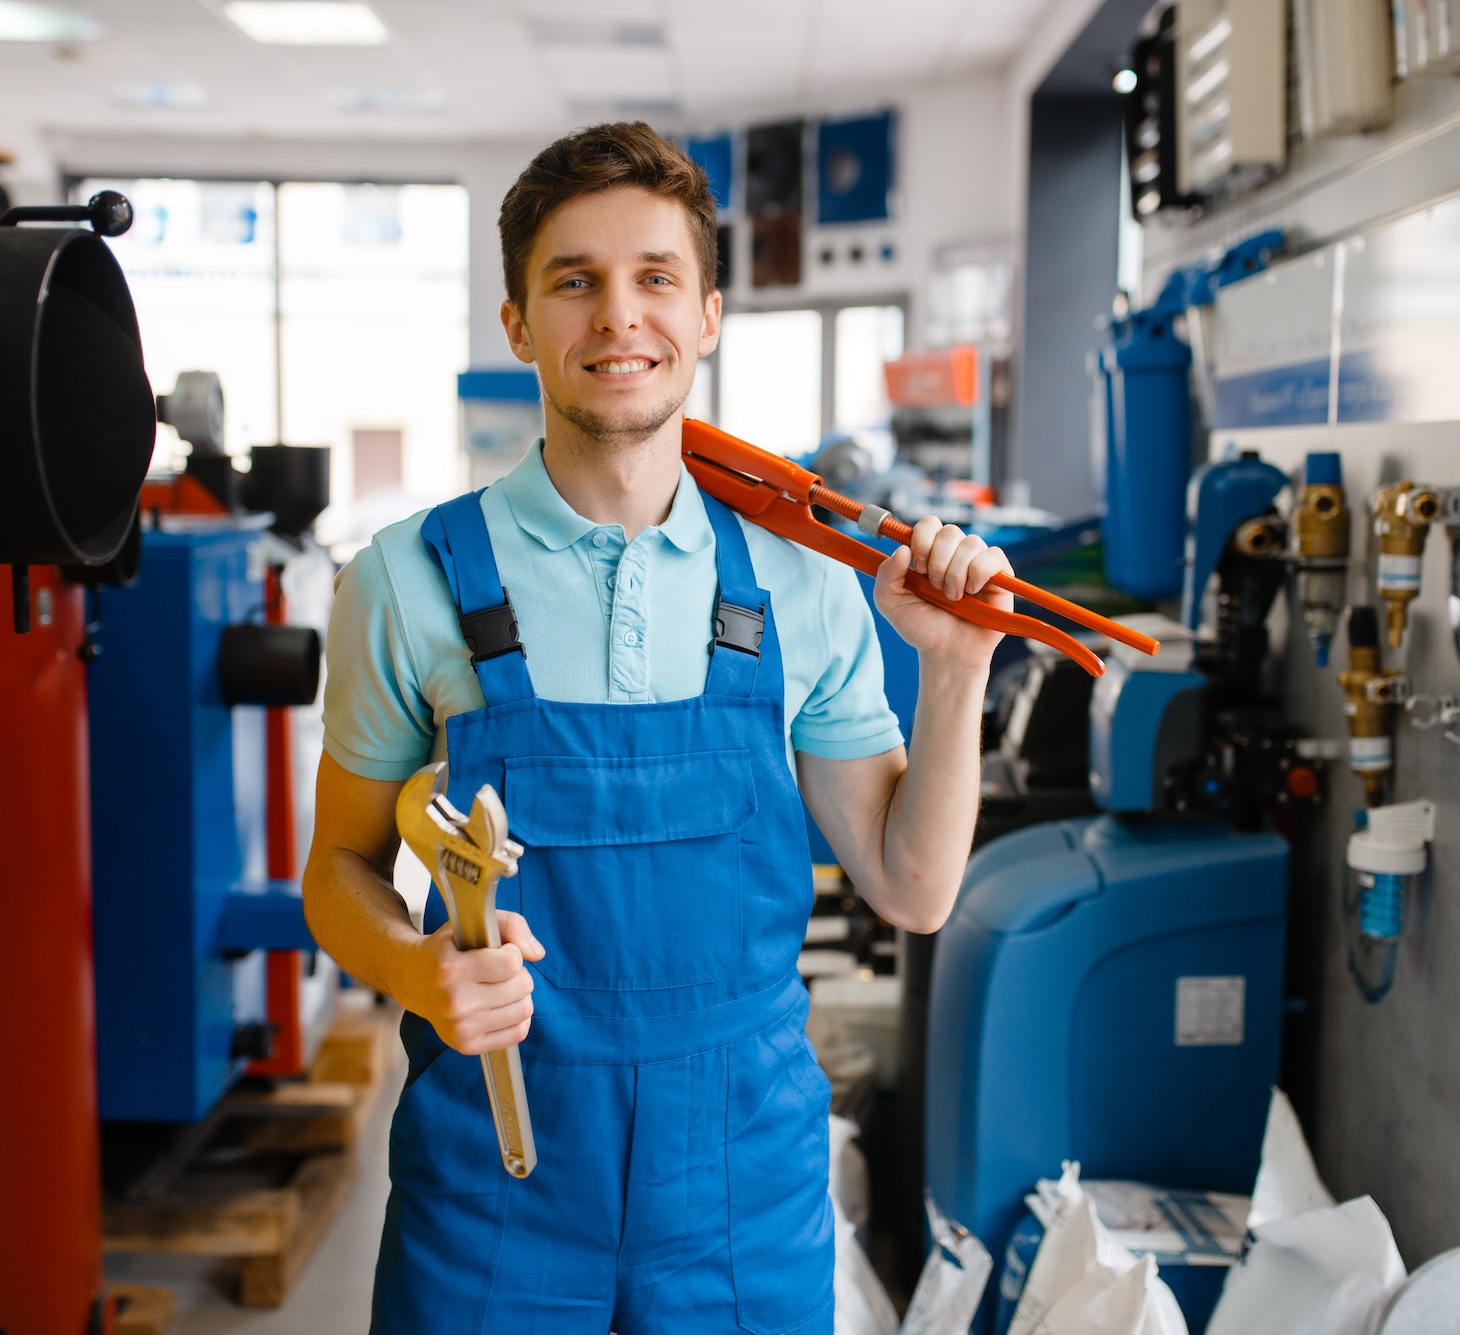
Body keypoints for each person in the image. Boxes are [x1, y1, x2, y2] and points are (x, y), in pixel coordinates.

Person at [302, 121, 1015, 1335]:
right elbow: (339, 872)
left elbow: (911, 887)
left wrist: (953, 673)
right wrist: (420, 973)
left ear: (707, 314)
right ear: (518, 326)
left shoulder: (800, 582)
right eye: (572, 281)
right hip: (495, 1191)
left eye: (653, 278)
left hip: (738, 1200)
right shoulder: (405, 582)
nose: (616, 316)